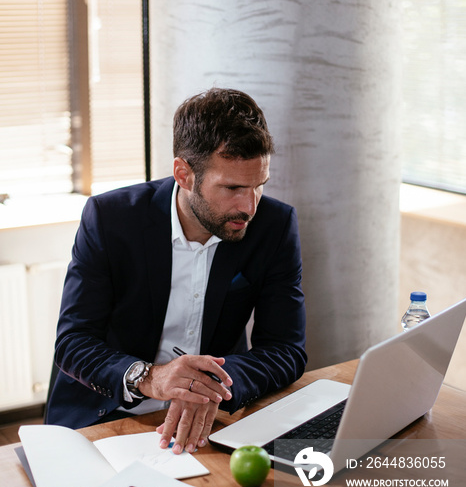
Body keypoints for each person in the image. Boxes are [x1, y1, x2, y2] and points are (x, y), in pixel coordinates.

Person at [46, 88, 307, 454]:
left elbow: (285, 349)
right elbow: (73, 343)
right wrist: (152, 378)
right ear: (184, 174)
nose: (249, 206)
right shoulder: (111, 219)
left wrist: (209, 385)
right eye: (231, 188)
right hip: (108, 416)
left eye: (258, 186)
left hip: (213, 419)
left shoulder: (274, 225)